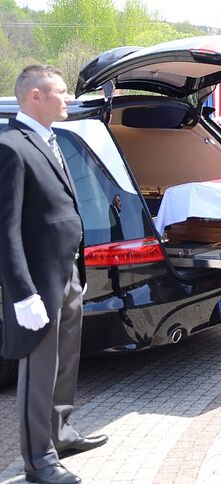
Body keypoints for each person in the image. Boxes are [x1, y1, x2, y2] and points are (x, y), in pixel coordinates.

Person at [0, 65, 107, 484]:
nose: (69, 99)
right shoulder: (12, 146)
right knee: (39, 371)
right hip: (39, 282)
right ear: (35, 97)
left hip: (66, 273)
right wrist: (22, 293)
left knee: (65, 360)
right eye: (61, 92)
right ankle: (39, 460)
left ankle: (61, 432)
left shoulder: (52, 139)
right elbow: (5, 229)